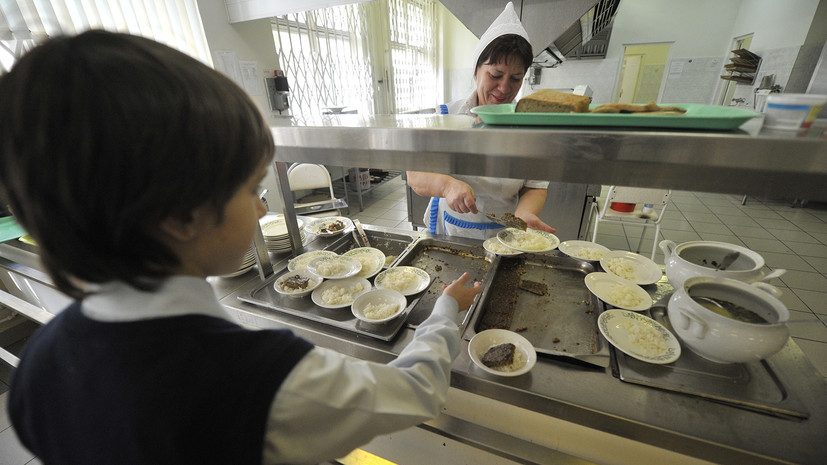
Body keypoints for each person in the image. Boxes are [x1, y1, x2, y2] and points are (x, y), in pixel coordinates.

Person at [0, 30, 482, 465]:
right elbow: (415, 391)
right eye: (252, 189)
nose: (259, 210)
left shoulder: (37, 365)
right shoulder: (261, 381)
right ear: (181, 216)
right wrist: (443, 315)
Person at [407, 2, 556, 240]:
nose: (505, 87)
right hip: (451, 232)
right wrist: (447, 185)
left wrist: (525, 213)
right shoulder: (447, 115)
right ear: (476, 70)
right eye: (495, 75)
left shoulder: (530, 126)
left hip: (505, 235)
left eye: (516, 79)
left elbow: (535, 186)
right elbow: (415, 175)